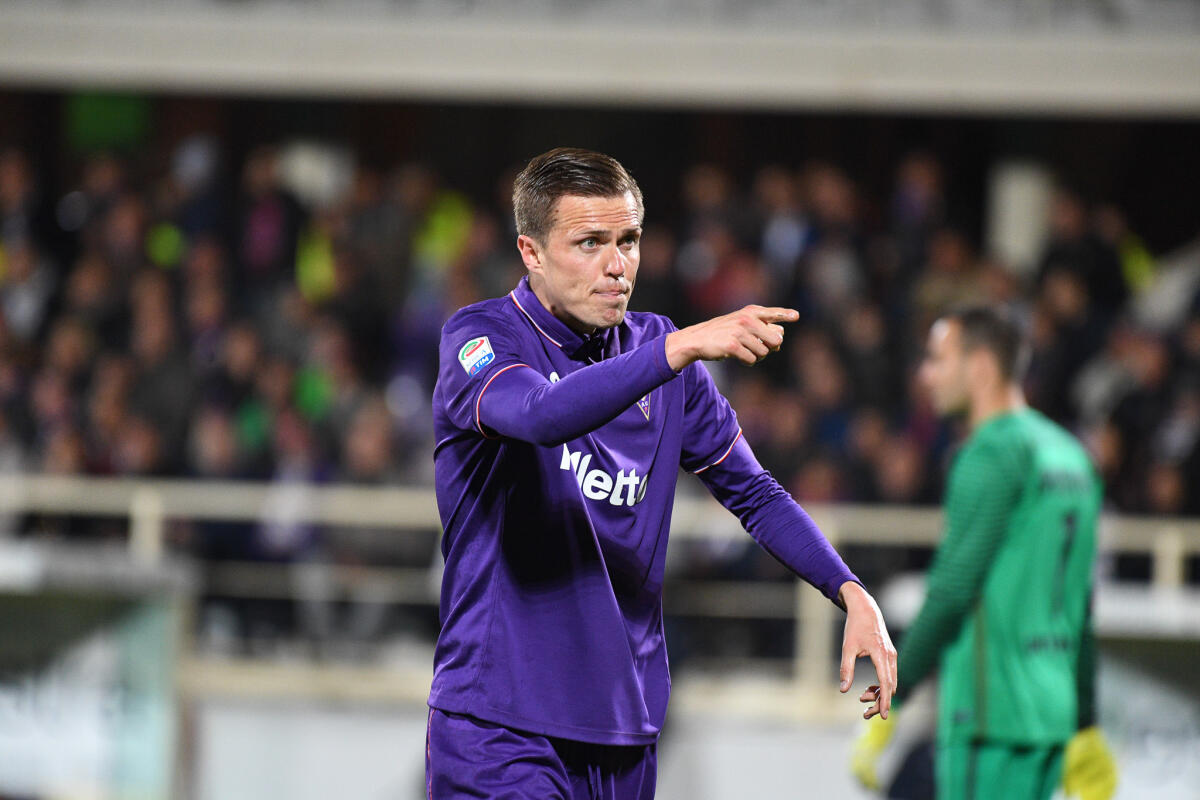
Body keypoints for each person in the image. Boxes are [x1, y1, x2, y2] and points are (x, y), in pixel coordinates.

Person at [427, 147, 897, 799]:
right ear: (531, 252)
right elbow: (539, 414)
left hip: (624, 731)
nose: (617, 266)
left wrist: (848, 589)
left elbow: (755, 492)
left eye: (629, 241)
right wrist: (674, 350)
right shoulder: (481, 336)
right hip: (499, 728)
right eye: (589, 243)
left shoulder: (661, 358)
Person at [852, 307, 1118, 800]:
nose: (925, 375)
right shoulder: (1073, 457)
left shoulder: (989, 453)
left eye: (937, 360)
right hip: (1052, 715)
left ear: (980, 367)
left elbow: (952, 590)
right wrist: (1085, 721)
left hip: (990, 716)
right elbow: (1080, 605)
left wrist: (893, 691)